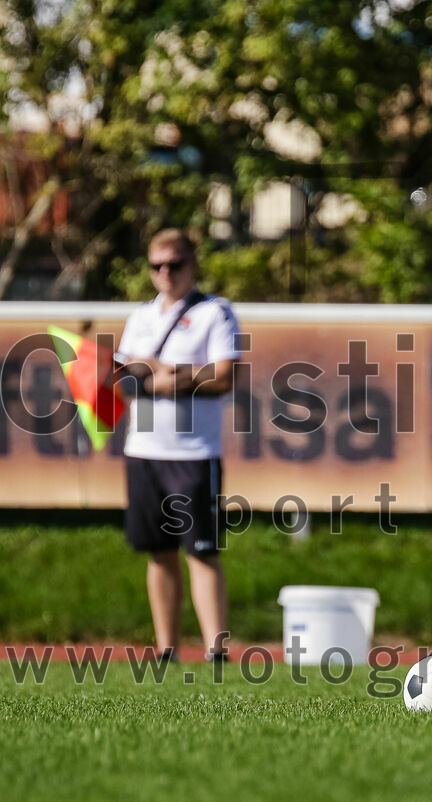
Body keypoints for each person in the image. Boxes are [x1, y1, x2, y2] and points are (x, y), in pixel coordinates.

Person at [115, 229, 241, 662]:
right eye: (156, 265)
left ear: (193, 264)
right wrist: (164, 376)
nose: (165, 273)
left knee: (201, 551)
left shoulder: (214, 313)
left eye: (175, 264)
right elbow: (126, 378)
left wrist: (171, 374)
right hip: (144, 448)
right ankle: (166, 648)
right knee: (158, 551)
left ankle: (215, 649)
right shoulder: (140, 317)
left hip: (192, 451)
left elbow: (224, 376)